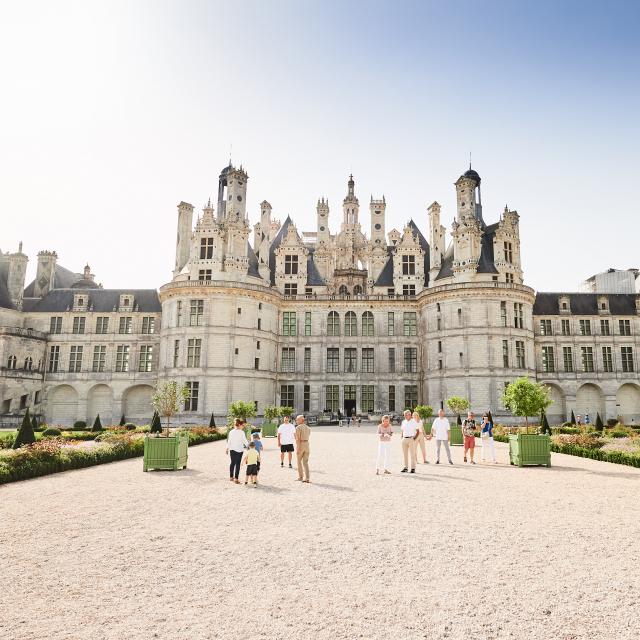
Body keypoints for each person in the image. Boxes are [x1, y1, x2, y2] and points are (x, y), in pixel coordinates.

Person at [226, 418, 249, 483]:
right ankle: (236, 478)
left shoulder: (231, 432)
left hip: (232, 449)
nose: (243, 427)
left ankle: (231, 477)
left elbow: (229, 441)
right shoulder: (242, 432)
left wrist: (227, 448)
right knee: (237, 464)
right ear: (239, 425)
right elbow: (245, 441)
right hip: (239, 450)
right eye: (243, 426)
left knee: (232, 463)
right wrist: (249, 447)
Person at [294, 414, 311, 482]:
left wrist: (298, 448)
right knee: (305, 462)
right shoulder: (308, 427)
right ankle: (307, 478)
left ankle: (301, 477)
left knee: (299, 462)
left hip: (301, 444)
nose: (296, 420)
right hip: (307, 444)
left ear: (301, 420)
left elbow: (297, 439)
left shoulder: (298, 427)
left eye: (297, 419)